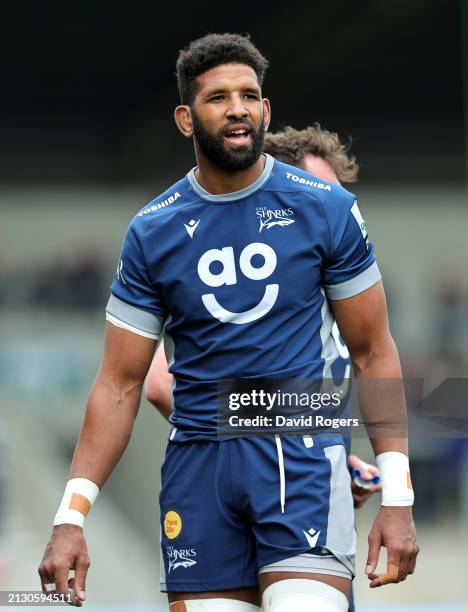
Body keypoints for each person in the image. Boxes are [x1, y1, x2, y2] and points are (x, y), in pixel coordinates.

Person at [38, 34, 418, 612]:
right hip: (199, 471)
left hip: (300, 460)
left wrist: (397, 494)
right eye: (219, 97)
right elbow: (123, 382)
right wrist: (71, 516)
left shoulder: (326, 208)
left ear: (266, 110)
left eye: (250, 95)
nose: (237, 107)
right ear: (186, 119)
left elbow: (373, 352)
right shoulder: (152, 230)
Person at [145, 124, 382, 512]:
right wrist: (267, 445)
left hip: (307, 473)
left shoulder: (338, 289)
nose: (331, 203)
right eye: (318, 188)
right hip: (236, 484)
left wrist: (333, 455)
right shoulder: (246, 280)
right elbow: (158, 382)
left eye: (336, 191)